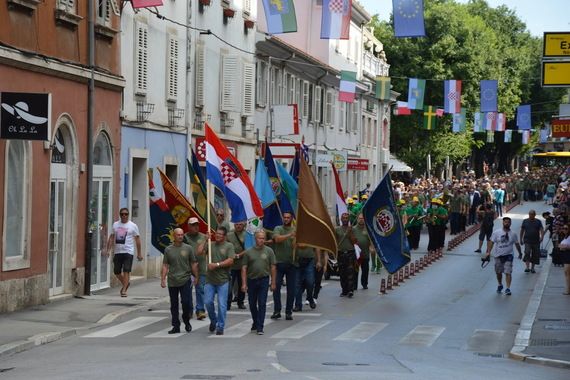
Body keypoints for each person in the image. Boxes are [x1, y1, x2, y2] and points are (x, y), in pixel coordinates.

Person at [161, 228, 199, 334]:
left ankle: (186, 321)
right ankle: (175, 325)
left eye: (182, 235)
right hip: (172, 280)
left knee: (186, 302)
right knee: (174, 304)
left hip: (185, 279)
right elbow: (165, 265)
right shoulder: (168, 249)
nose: (181, 236)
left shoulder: (188, 248)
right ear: (174, 236)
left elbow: (193, 263)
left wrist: (196, 276)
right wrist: (163, 278)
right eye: (178, 235)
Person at [241, 230, 276, 335]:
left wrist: (273, 282)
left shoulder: (269, 251)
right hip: (251, 280)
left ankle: (260, 326)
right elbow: (244, 268)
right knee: (252, 303)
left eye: (263, 238)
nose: (261, 240)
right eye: (259, 238)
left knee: (262, 303)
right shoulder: (248, 252)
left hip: (264, 280)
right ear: (255, 239)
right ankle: (255, 321)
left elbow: (273, 267)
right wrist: (244, 283)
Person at [204, 226, 235, 335]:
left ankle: (220, 326)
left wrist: (217, 265)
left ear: (224, 236)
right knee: (207, 302)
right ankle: (213, 320)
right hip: (210, 280)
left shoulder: (229, 246)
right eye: (216, 233)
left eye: (220, 234)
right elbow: (198, 252)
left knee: (222, 305)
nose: (217, 235)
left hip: (223, 280)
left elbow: (230, 260)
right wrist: (205, 239)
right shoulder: (210, 244)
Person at [106, 208, 142, 297]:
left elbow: (137, 240)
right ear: (120, 215)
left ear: (128, 215)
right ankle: (126, 283)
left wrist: (139, 253)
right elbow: (111, 237)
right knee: (117, 271)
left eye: (126, 214)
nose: (124, 216)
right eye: (122, 214)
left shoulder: (133, 226)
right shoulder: (115, 225)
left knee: (126, 270)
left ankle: (124, 290)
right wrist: (108, 250)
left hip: (128, 251)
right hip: (118, 251)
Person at [485, 217, 522, 296]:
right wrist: (488, 252)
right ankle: (500, 284)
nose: (507, 223)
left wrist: (520, 252)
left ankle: (508, 288)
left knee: (508, 272)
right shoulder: (497, 232)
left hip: (509, 256)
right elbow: (491, 242)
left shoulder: (513, 234)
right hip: (498, 256)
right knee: (498, 272)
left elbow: (517, 244)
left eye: (508, 222)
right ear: (503, 223)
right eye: (505, 222)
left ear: (510, 223)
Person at [271, 212, 297, 320]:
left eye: (288, 218)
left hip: (292, 263)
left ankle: (288, 311)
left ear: (291, 219)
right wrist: (290, 235)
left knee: (291, 289)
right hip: (279, 263)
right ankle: (277, 310)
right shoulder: (278, 228)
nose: (286, 219)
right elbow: (277, 239)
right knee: (276, 286)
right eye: (284, 217)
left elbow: (298, 245)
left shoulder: (295, 230)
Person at [183, 217, 207, 320]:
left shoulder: (203, 237)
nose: (196, 227)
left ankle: (200, 310)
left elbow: (202, 252)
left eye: (197, 224)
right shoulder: (184, 238)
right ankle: (188, 310)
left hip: (200, 268)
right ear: (188, 226)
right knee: (187, 291)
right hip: (187, 269)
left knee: (200, 289)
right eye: (193, 225)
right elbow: (193, 254)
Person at [336, 212, 357, 297]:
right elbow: (334, 241)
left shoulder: (352, 229)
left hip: (350, 253)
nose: (345, 219)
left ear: (349, 219)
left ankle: (350, 290)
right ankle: (344, 290)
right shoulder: (337, 229)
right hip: (341, 253)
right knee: (342, 273)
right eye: (343, 218)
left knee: (350, 272)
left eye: (346, 218)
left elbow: (355, 242)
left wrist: (350, 233)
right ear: (341, 219)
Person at [226, 221, 247, 310]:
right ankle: (228, 303)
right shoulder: (229, 234)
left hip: (242, 264)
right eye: (237, 224)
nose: (238, 226)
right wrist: (231, 255)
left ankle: (240, 302)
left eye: (240, 224)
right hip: (231, 265)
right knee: (229, 286)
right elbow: (225, 246)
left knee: (241, 284)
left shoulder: (247, 235)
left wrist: (239, 255)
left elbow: (249, 248)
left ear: (244, 225)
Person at [293, 244, 317, 311]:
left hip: (309, 260)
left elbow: (317, 247)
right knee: (297, 284)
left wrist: (319, 261)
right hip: (297, 260)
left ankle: (310, 298)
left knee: (310, 282)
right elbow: (293, 245)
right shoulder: (295, 233)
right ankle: (298, 305)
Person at [353, 213, 372, 290]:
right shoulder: (353, 229)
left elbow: (371, 240)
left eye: (362, 218)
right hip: (356, 255)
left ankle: (364, 284)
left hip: (365, 253)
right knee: (355, 270)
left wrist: (372, 248)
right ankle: (354, 285)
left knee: (365, 270)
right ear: (357, 219)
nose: (361, 220)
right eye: (360, 218)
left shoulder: (367, 229)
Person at [556, 224, 570, 295]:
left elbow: (565, 246)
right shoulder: (564, 237)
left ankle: (568, 290)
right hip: (565, 256)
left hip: (568, 256)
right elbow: (559, 245)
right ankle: (568, 289)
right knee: (566, 273)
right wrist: (562, 246)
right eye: (563, 228)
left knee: (567, 273)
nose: (564, 230)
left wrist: (564, 247)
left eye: (566, 228)